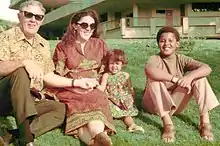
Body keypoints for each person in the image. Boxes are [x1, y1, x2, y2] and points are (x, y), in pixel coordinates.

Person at [0, 0, 82, 145]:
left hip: (29, 100)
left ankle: (14, 135)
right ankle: (26, 139)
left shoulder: (43, 44)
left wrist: (76, 82)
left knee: (60, 109)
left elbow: (48, 75)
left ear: (42, 19)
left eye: (38, 17)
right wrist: (23, 62)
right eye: (29, 15)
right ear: (20, 16)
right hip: (4, 96)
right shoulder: (5, 37)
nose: (33, 20)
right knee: (21, 72)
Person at [42, 10, 116, 146]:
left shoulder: (100, 45)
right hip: (70, 88)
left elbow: (106, 69)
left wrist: (102, 86)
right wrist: (76, 85)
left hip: (93, 87)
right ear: (75, 26)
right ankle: (100, 137)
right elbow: (58, 74)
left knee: (95, 96)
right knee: (84, 99)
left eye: (92, 26)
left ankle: (95, 139)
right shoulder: (62, 47)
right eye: (84, 25)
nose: (88, 29)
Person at [142, 26, 219, 143]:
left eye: (170, 40)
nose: (166, 44)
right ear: (158, 43)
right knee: (154, 80)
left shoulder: (182, 59)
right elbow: (150, 70)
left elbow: (206, 68)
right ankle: (168, 125)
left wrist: (189, 77)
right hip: (154, 106)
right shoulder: (155, 58)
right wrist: (176, 80)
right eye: (162, 41)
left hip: (174, 105)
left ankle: (205, 123)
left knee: (199, 78)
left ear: (177, 44)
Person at [98, 49, 144, 133]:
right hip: (111, 100)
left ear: (122, 64)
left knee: (126, 114)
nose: (114, 66)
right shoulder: (106, 75)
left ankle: (132, 125)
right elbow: (102, 88)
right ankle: (107, 127)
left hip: (122, 100)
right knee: (107, 113)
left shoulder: (125, 75)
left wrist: (132, 100)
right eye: (111, 63)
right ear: (108, 64)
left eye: (117, 64)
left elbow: (130, 89)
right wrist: (95, 84)